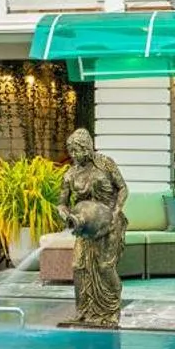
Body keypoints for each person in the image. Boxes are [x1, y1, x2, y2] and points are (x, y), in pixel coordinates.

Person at [59, 129, 127, 327]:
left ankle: (112, 310)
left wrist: (115, 212)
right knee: (78, 266)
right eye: (70, 150)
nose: (73, 155)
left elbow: (123, 188)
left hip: (109, 224)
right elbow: (61, 202)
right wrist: (64, 212)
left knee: (105, 267)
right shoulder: (70, 174)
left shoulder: (105, 164)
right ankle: (83, 311)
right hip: (85, 226)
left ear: (86, 148)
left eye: (76, 150)